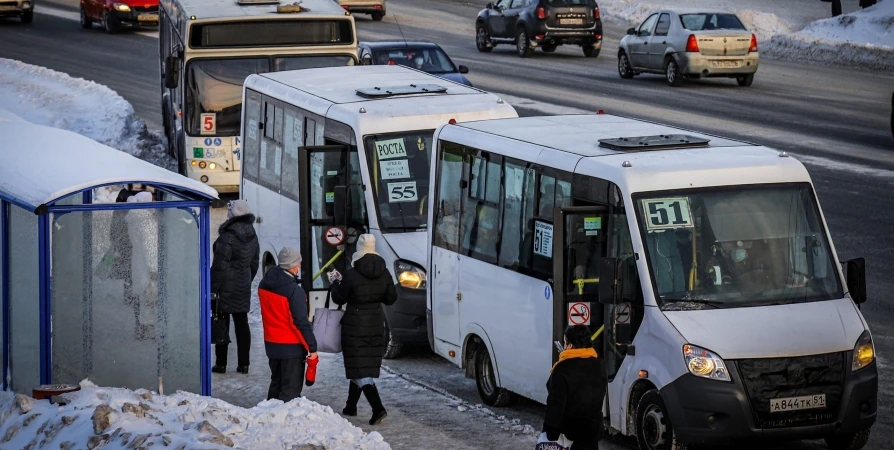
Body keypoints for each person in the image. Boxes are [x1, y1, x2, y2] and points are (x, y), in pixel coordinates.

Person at [329, 234, 397, 425]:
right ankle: (350, 406)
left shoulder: (351, 274)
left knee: (360, 368)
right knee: (361, 364)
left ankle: (378, 408)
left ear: (359, 248)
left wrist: (335, 282)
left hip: (355, 325)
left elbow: (339, 299)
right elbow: (391, 298)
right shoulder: (385, 272)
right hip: (376, 323)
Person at [258, 247, 318, 402]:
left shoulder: (264, 284)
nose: (299, 267)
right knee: (290, 392)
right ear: (293, 266)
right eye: (298, 264)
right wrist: (312, 348)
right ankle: (283, 424)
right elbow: (300, 323)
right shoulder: (293, 291)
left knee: (276, 384)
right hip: (291, 347)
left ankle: (269, 417)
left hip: (272, 344)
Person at [210, 200, 260, 374]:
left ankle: (221, 363)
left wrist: (212, 288)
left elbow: (219, 267)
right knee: (242, 323)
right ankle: (244, 363)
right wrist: (246, 279)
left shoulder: (227, 236)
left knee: (221, 321)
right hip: (243, 283)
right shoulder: (252, 234)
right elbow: (254, 262)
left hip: (224, 286)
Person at [543, 325, 606, 450]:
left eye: (565, 342)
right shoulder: (599, 364)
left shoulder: (562, 368)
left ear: (570, 346)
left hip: (570, 436)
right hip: (592, 432)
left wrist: (551, 434)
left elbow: (555, 405)